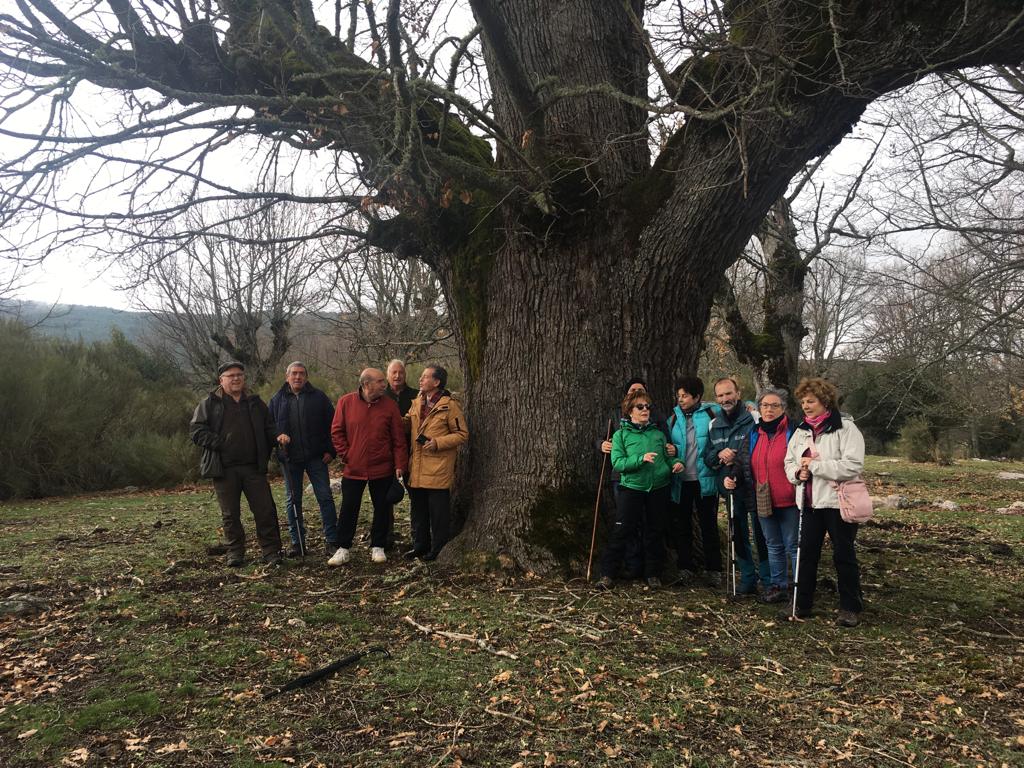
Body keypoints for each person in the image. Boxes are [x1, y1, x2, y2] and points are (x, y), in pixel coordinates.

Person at [784, 377, 866, 627]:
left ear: (825, 401)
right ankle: (802, 602)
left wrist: (817, 467)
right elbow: (789, 461)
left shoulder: (846, 428)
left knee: (844, 554)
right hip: (809, 503)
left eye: (811, 401)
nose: (806, 406)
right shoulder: (801, 431)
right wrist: (798, 473)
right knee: (807, 554)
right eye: (803, 401)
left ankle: (850, 607)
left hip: (838, 502)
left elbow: (853, 465)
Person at [190, 362, 284, 567]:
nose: (236, 378)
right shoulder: (210, 403)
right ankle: (235, 553)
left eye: (240, 374)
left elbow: (269, 427)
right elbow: (196, 431)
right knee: (230, 515)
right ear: (221, 380)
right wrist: (219, 443)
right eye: (231, 375)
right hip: (224, 469)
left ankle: (271, 551)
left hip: (253, 467)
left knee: (265, 510)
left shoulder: (255, 402)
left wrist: (277, 437)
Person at [598, 388, 684, 589]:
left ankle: (653, 574)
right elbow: (618, 463)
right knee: (622, 530)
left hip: (658, 488)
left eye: (648, 406)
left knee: (655, 531)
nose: (645, 410)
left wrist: (676, 463)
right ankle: (607, 574)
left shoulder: (658, 434)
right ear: (630, 411)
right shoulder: (620, 435)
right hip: (631, 487)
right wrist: (640, 460)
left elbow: (668, 457)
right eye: (640, 407)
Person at [329, 368, 408, 565]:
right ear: (366, 384)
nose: (385, 385)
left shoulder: (390, 405)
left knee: (382, 508)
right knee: (349, 508)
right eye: (380, 381)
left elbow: (398, 438)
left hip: (382, 468)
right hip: (353, 470)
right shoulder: (345, 402)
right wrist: (347, 455)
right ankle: (343, 548)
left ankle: (378, 546)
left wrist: (400, 464)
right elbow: (337, 432)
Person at [704, 377, 770, 595]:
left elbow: (763, 450)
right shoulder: (714, 424)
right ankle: (747, 578)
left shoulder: (754, 418)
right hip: (730, 487)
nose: (725, 399)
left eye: (729, 393)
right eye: (721, 395)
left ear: (738, 393)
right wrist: (720, 455)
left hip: (754, 486)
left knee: (761, 533)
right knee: (738, 534)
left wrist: (740, 457)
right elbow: (708, 457)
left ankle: (768, 579)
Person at [268, 361, 339, 558]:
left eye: (301, 374)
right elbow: (268, 427)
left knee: (325, 497)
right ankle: (297, 543)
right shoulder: (276, 400)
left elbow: (333, 425)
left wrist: (331, 451)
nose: (298, 377)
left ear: (306, 377)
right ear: (287, 376)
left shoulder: (319, 398)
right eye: (294, 374)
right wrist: (278, 437)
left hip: (317, 457)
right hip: (290, 459)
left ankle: (332, 541)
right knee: (292, 500)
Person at [403, 364, 469, 561]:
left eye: (425, 377)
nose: (420, 380)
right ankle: (420, 546)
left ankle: (438, 549)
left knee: (438, 514)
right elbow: (408, 423)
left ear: (437, 382)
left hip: (438, 469)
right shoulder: (416, 403)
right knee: (418, 511)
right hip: (417, 466)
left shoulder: (450, 406)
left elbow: (462, 434)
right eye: (421, 376)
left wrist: (438, 443)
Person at [741, 387, 797, 603]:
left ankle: (800, 586)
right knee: (773, 544)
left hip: (790, 498)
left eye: (775, 406)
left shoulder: (793, 431)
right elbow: (744, 459)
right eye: (765, 405)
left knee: (793, 544)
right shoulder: (755, 432)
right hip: (763, 497)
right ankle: (778, 585)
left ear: (783, 409)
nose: (769, 410)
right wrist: (734, 475)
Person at [666, 377, 723, 586]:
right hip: (680, 481)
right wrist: (672, 456)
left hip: (705, 479)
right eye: (678, 396)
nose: (680, 399)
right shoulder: (672, 418)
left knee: (708, 525)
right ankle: (685, 568)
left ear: (697, 396)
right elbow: (667, 447)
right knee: (681, 526)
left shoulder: (712, 414)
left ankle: (714, 569)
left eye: (685, 396)